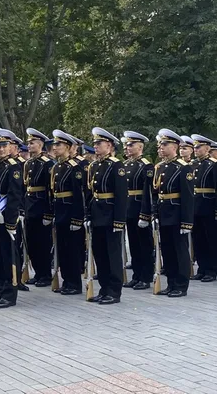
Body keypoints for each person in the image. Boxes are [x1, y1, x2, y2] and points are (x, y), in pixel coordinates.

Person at [139, 129, 194, 298]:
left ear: (175, 146)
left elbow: (188, 197)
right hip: (164, 213)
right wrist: (154, 214)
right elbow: (155, 194)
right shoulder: (160, 167)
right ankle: (171, 282)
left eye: (165, 144)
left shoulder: (183, 168)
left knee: (180, 250)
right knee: (167, 250)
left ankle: (181, 284)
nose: (161, 148)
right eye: (160, 145)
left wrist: (186, 222)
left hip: (177, 213)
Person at [86, 128, 128, 304]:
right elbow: (90, 193)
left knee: (112, 254)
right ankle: (104, 288)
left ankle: (114, 291)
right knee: (100, 254)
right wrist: (88, 215)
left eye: (99, 144)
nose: (96, 147)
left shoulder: (116, 165)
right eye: (95, 144)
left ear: (109, 146)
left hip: (110, 215)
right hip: (97, 214)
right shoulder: (94, 165)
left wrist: (119, 220)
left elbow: (121, 195)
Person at [0, 129, 24, 309]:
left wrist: (11, 222)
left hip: (7, 218)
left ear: (11, 147)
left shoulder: (13, 167)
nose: (0, 149)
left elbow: (15, 196)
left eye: (4, 145)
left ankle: (9, 294)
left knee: (8, 257)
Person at [50, 130, 87, 296]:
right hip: (59, 211)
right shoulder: (57, 167)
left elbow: (79, 196)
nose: (55, 147)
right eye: (54, 144)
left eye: (59, 145)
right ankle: (66, 280)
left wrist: (77, 218)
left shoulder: (75, 168)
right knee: (62, 249)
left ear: (68, 147)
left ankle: (74, 283)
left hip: (70, 212)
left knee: (72, 250)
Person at [121, 131, 154, 290]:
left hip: (140, 208)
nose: (127, 148)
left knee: (144, 245)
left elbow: (148, 193)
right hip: (128, 208)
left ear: (140, 147)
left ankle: (146, 277)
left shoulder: (146, 165)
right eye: (127, 145)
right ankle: (136, 275)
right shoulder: (126, 165)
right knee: (133, 244)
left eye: (131, 145)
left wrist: (145, 214)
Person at [189, 134, 217, 282]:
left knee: (212, 239)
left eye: (198, 147)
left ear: (207, 148)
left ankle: (211, 269)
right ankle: (202, 268)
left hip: (209, 206)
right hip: (195, 206)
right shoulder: (193, 164)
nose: (195, 150)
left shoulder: (215, 165)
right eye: (194, 147)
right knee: (198, 239)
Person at [22, 128, 54, 288]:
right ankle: (38, 272)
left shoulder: (47, 164)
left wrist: (48, 213)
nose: (29, 145)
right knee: (32, 243)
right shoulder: (28, 163)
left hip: (41, 206)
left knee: (43, 244)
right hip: (30, 206)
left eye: (32, 142)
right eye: (28, 143)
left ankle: (46, 274)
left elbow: (50, 189)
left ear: (40, 144)